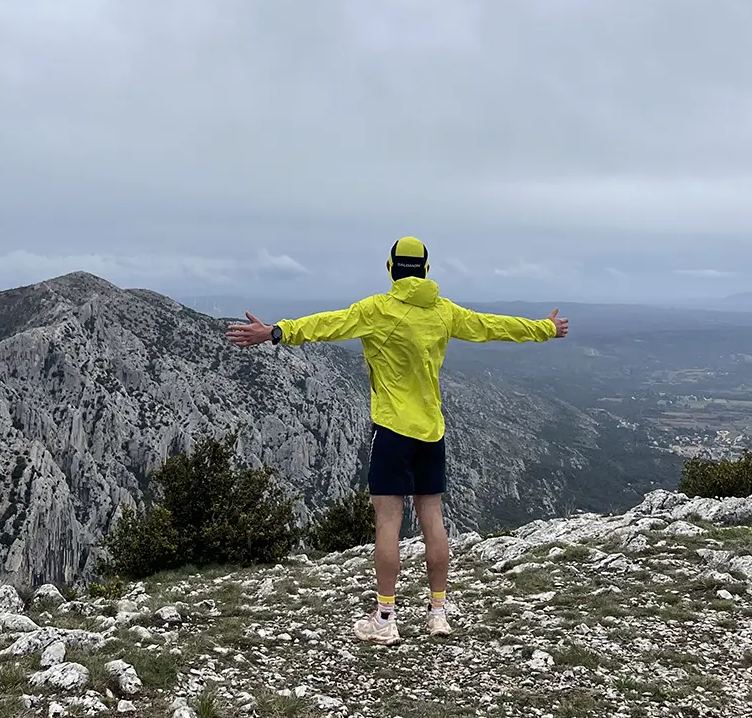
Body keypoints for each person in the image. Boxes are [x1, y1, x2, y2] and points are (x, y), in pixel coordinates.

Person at [227, 236, 569, 644]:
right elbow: (492, 326)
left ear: (390, 268)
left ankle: (386, 620)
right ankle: (438, 613)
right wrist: (544, 329)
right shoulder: (443, 312)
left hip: (391, 431)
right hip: (432, 431)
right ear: (425, 269)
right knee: (433, 519)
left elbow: (325, 324)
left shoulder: (376, 310)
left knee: (388, 523)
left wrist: (275, 332)